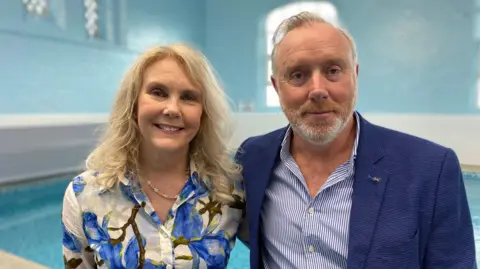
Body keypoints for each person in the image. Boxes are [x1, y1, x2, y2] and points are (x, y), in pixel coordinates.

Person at [235, 11, 477, 269]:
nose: (318, 89)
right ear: (276, 86)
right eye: (297, 75)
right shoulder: (252, 158)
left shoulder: (431, 170)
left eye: (333, 70)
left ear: (355, 75)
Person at [61, 43, 245, 268]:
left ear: (203, 114)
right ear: (133, 104)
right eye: (158, 92)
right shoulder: (85, 195)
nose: (172, 109)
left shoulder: (229, 192)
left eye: (188, 97)